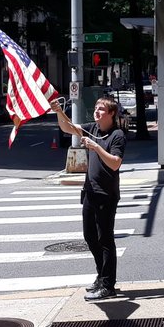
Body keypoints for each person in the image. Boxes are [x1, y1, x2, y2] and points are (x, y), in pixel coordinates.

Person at [53, 95, 127, 301]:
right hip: (90, 192)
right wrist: (59, 111)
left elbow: (115, 163)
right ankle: (101, 277)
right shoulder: (92, 129)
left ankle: (108, 285)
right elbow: (68, 128)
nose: (97, 111)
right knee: (90, 237)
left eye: (101, 109)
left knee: (105, 239)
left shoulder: (117, 135)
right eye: (96, 108)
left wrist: (95, 147)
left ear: (111, 113)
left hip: (106, 194)